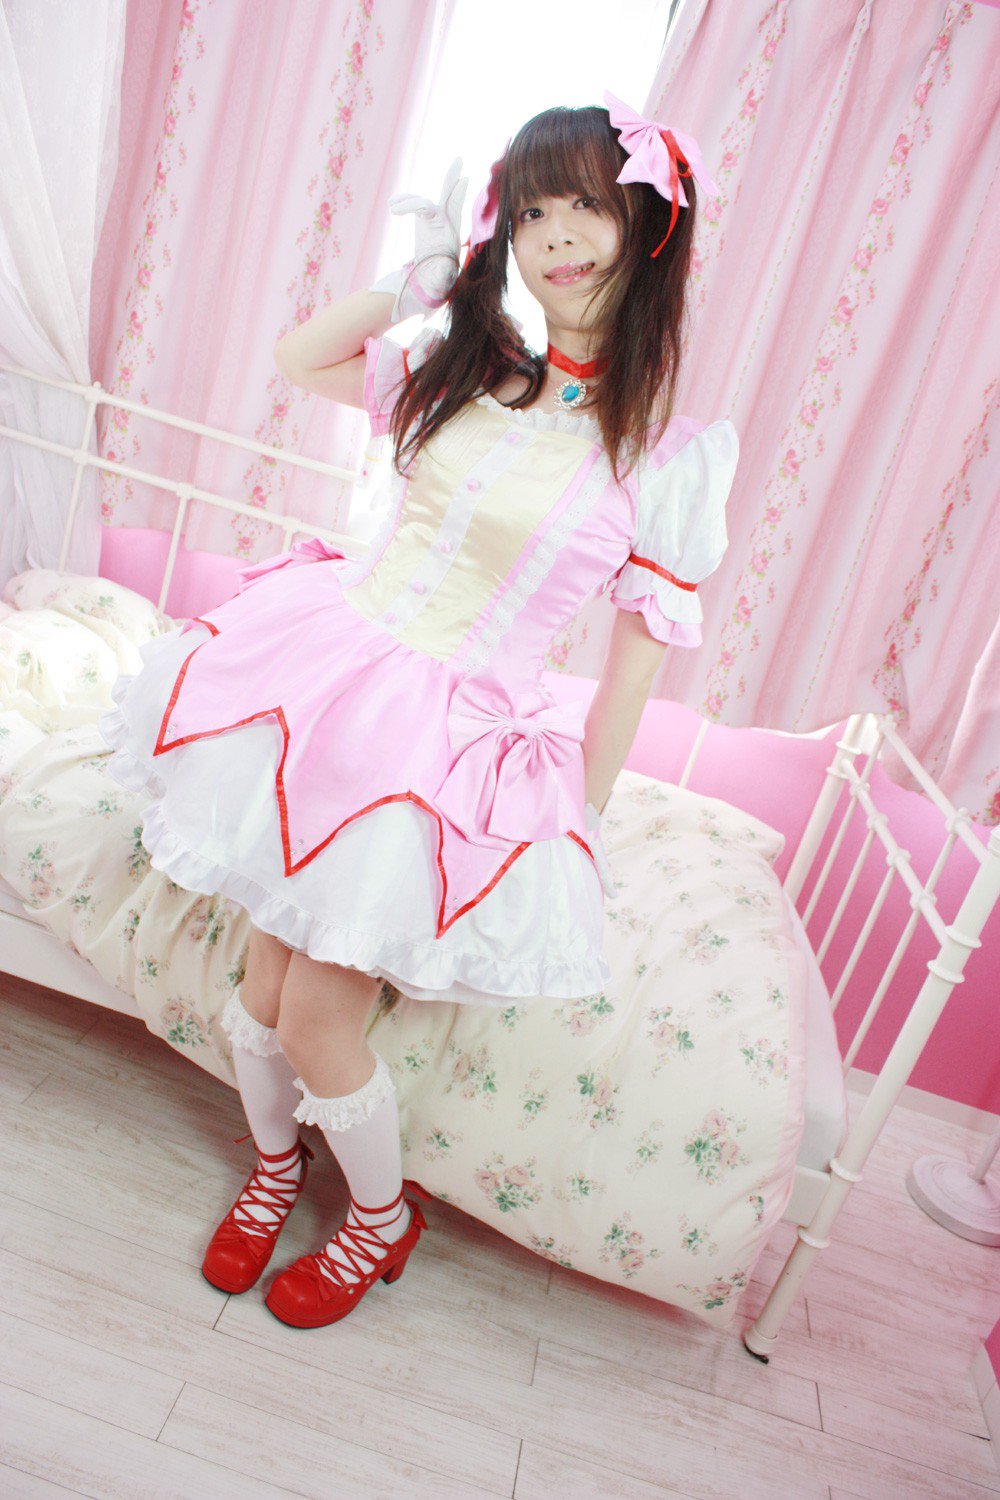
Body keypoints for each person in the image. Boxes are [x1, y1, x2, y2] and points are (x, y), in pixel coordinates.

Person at [98, 91, 740, 1329]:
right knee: (263, 990)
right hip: (333, 685)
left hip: (445, 744)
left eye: (586, 205)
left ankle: (380, 1219)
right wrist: (419, 282)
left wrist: (579, 819)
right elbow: (300, 359)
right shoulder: (475, 371)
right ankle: (276, 1169)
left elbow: (633, 668)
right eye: (532, 211)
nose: (556, 236)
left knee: (317, 1013)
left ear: (649, 225)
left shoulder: (661, 460)